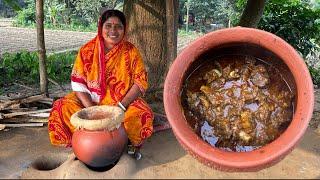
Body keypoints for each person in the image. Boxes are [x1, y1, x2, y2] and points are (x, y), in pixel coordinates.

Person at [48, 9, 154, 160]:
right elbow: (78, 83)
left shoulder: (131, 51)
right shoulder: (87, 50)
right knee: (61, 108)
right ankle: (82, 143)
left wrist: (121, 106)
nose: (113, 31)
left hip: (121, 103)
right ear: (101, 27)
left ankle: (125, 143)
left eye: (118, 26)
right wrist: (92, 110)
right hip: (90, 102)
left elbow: (140, 81)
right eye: (108, 26)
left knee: (141, 114)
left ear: (124, 29)